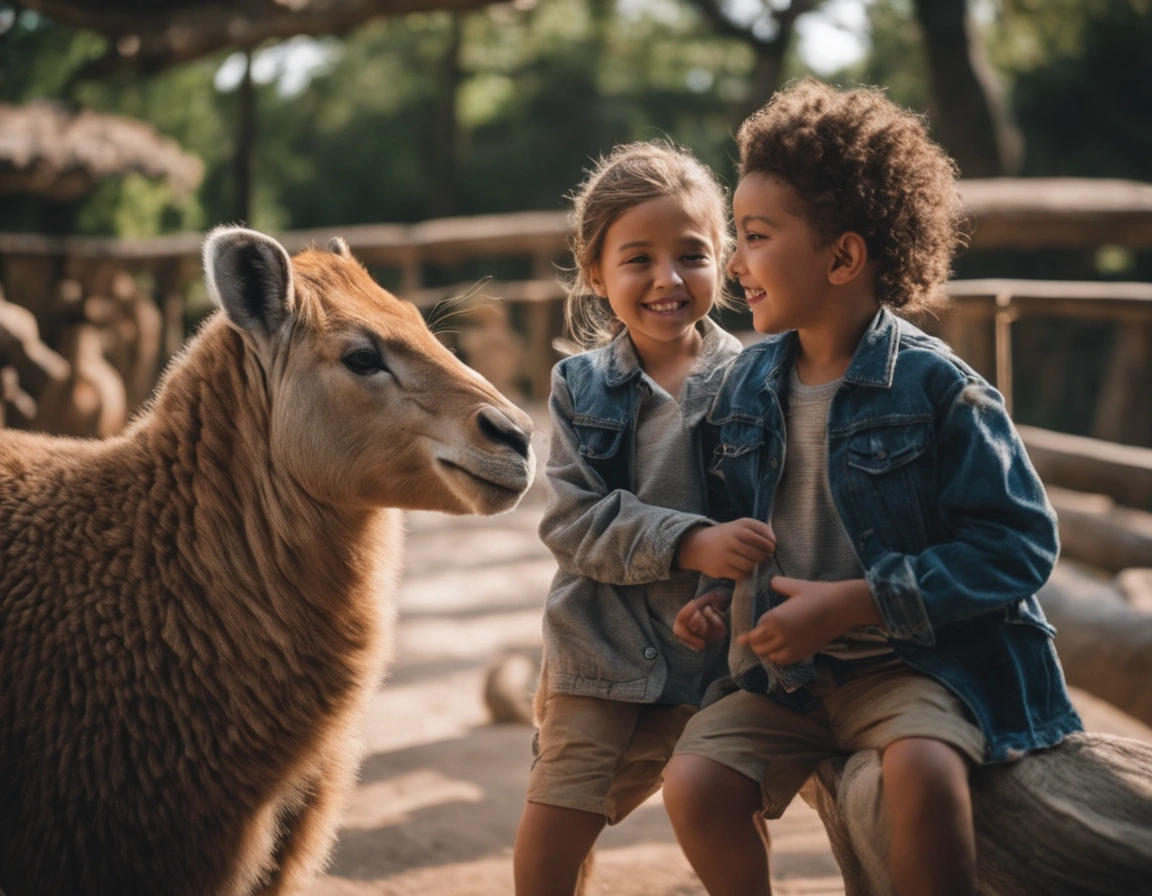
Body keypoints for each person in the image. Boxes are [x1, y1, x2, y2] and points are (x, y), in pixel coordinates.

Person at [662, 79, 1083, 896]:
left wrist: (856, 601)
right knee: (696, 784)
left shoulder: (938, 390)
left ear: (843, 257)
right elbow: (738, 518)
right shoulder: (746, 388)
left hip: (915, 668)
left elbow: (1020, 546)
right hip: (787, 681)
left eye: (753, 236)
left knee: (922, 774)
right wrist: (715, 593)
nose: (736, 264)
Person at [512, 141, 777, 896]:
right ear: (596, 273)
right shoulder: (580, 386)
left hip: (719, 660)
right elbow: (571, 520)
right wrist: (691, 542)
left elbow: (773, 517)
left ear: (724, 260)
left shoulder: (759, 379)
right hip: (598, 652)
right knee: (557, 823)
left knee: (725, 815)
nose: (667, 280)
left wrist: (724, 595)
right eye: (638, 260)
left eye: (691, 254)